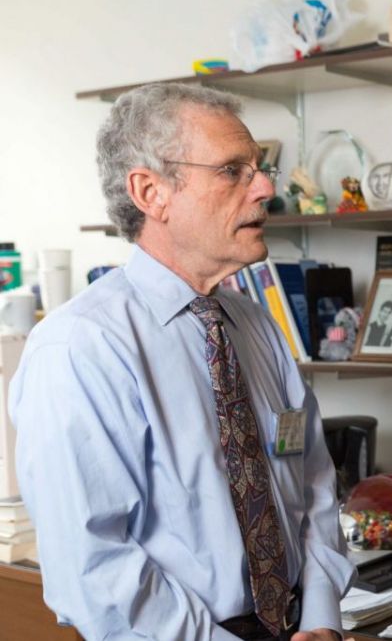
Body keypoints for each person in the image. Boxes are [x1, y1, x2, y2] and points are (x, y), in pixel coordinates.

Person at [9, 83, 356, 641]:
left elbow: (312, 482)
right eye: (232, 171)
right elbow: (95, 567)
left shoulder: (256, 326)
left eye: (260, 168)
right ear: (152, 192)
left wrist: (320, 618)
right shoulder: (80, 348)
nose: (265, 187)